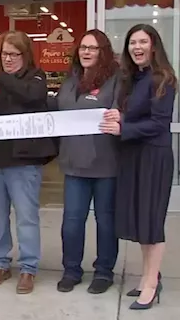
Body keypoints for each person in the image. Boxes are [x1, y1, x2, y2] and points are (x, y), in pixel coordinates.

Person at [0, 30, 58, 294]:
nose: (8, 59)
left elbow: (32, 97)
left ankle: (28, 268)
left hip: (24, 161)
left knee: (26, 217)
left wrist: (0, 77)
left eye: (14, 54)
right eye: (4, 54)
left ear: (25, 55)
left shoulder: (35, 78)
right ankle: (0, 263)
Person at [99, 24, 176, 310]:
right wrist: (118, 115)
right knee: (141, 221)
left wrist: (123, 127)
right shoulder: (133, 78)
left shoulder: (163, 78)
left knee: (152, 222)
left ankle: (152, 284)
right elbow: (133, 114)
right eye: (133, 43)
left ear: (154, 46)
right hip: (132, 155)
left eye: (143, 42)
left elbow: (159, 123)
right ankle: (148, 276)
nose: (137, 47)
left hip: (153, 157)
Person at [55, 29, 120, 294]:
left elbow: (119, 115)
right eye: (82, 47)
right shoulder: (70, 81)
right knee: (71, 222)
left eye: (92, 48)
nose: (86, 52)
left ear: (102, 52)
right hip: (74, 164)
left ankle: (104, 271)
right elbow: (55, 109)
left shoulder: (115, 81)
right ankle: (71, 269)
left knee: (106, 222)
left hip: (105, 165)